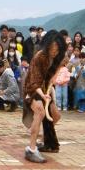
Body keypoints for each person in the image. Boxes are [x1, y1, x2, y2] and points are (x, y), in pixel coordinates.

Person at [22, 32, 66, 162]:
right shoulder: (39, 57)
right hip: (32, 89)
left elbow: (63, 63)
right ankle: (31, 149)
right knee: (40, 112)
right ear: (47, 46)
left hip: (46, 89)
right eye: (52, 49)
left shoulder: (60, 56)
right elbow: (34, 82)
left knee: (56, 116)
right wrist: (43, 95)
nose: (54, 52)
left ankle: (43, 141)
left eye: (57, 50)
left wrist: (54, 76)